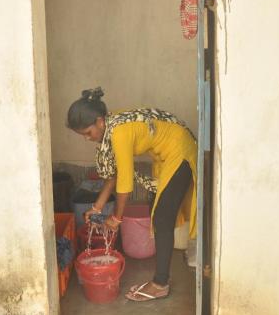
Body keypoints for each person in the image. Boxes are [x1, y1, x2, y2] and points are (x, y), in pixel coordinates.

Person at [67, 87, 197, 301]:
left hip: (179, 151)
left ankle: (160, 284)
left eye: (88, 133)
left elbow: (125, 184)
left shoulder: (118, 133)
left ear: (100, 121)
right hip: (165, 156)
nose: (87, 139)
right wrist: (97, 207)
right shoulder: (112, 127)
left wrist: (116, 218)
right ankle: (160, 279)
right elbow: (114, 174)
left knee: (162, 216)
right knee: (159, 210)